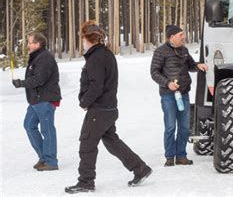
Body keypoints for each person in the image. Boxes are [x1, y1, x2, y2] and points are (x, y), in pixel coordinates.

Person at [65, 21, 152, 194]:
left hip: (100, 109)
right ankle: (139, 168)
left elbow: (96, 86)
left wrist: (85, 102)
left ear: (88, 38)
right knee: (112, 141)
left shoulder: (96, 58)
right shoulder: (105, 54)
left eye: (82, 37)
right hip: (109, 108)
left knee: (87, 143)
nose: (81, 41)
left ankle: (86, 181)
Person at [150, 25, 208, 167]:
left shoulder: (184, 50)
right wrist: (168, 83)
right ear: (172, 37)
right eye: (181, 35)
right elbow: (154, 72)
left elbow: (190, 65)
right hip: (168, 95)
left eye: (183, 34)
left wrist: (198, 66)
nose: (184, 37)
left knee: (184, 127)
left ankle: (181, 156)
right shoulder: (160, 52)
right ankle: (170, 156)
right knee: (170, 126)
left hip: (183, 93)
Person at [12, 32, 61, 171]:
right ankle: (44, 157)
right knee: (28, 125)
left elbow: (39, 79)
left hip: (45, 99)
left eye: (29, 42)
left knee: (47, 129)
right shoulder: (37, 57)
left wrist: (21, 83)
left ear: (37, 44)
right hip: (36, 100)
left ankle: (51, 161)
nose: (27, 45)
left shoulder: (44, 58)